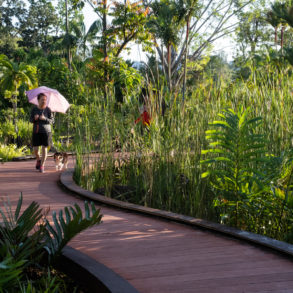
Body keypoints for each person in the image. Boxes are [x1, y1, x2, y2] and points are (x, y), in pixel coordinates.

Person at [30, 93, 54, 173]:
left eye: (45, 99)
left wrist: (45, 118)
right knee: (35, 150)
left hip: (46, 131)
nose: (44, 101)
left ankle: (42, 165)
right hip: (36, 131)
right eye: (42, 99)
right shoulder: (34, 109)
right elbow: (30, 120)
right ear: (38, 100)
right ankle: (38, 159)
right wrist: (34, 118)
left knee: (44, 148)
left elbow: (52, 121)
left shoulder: (48, 110)